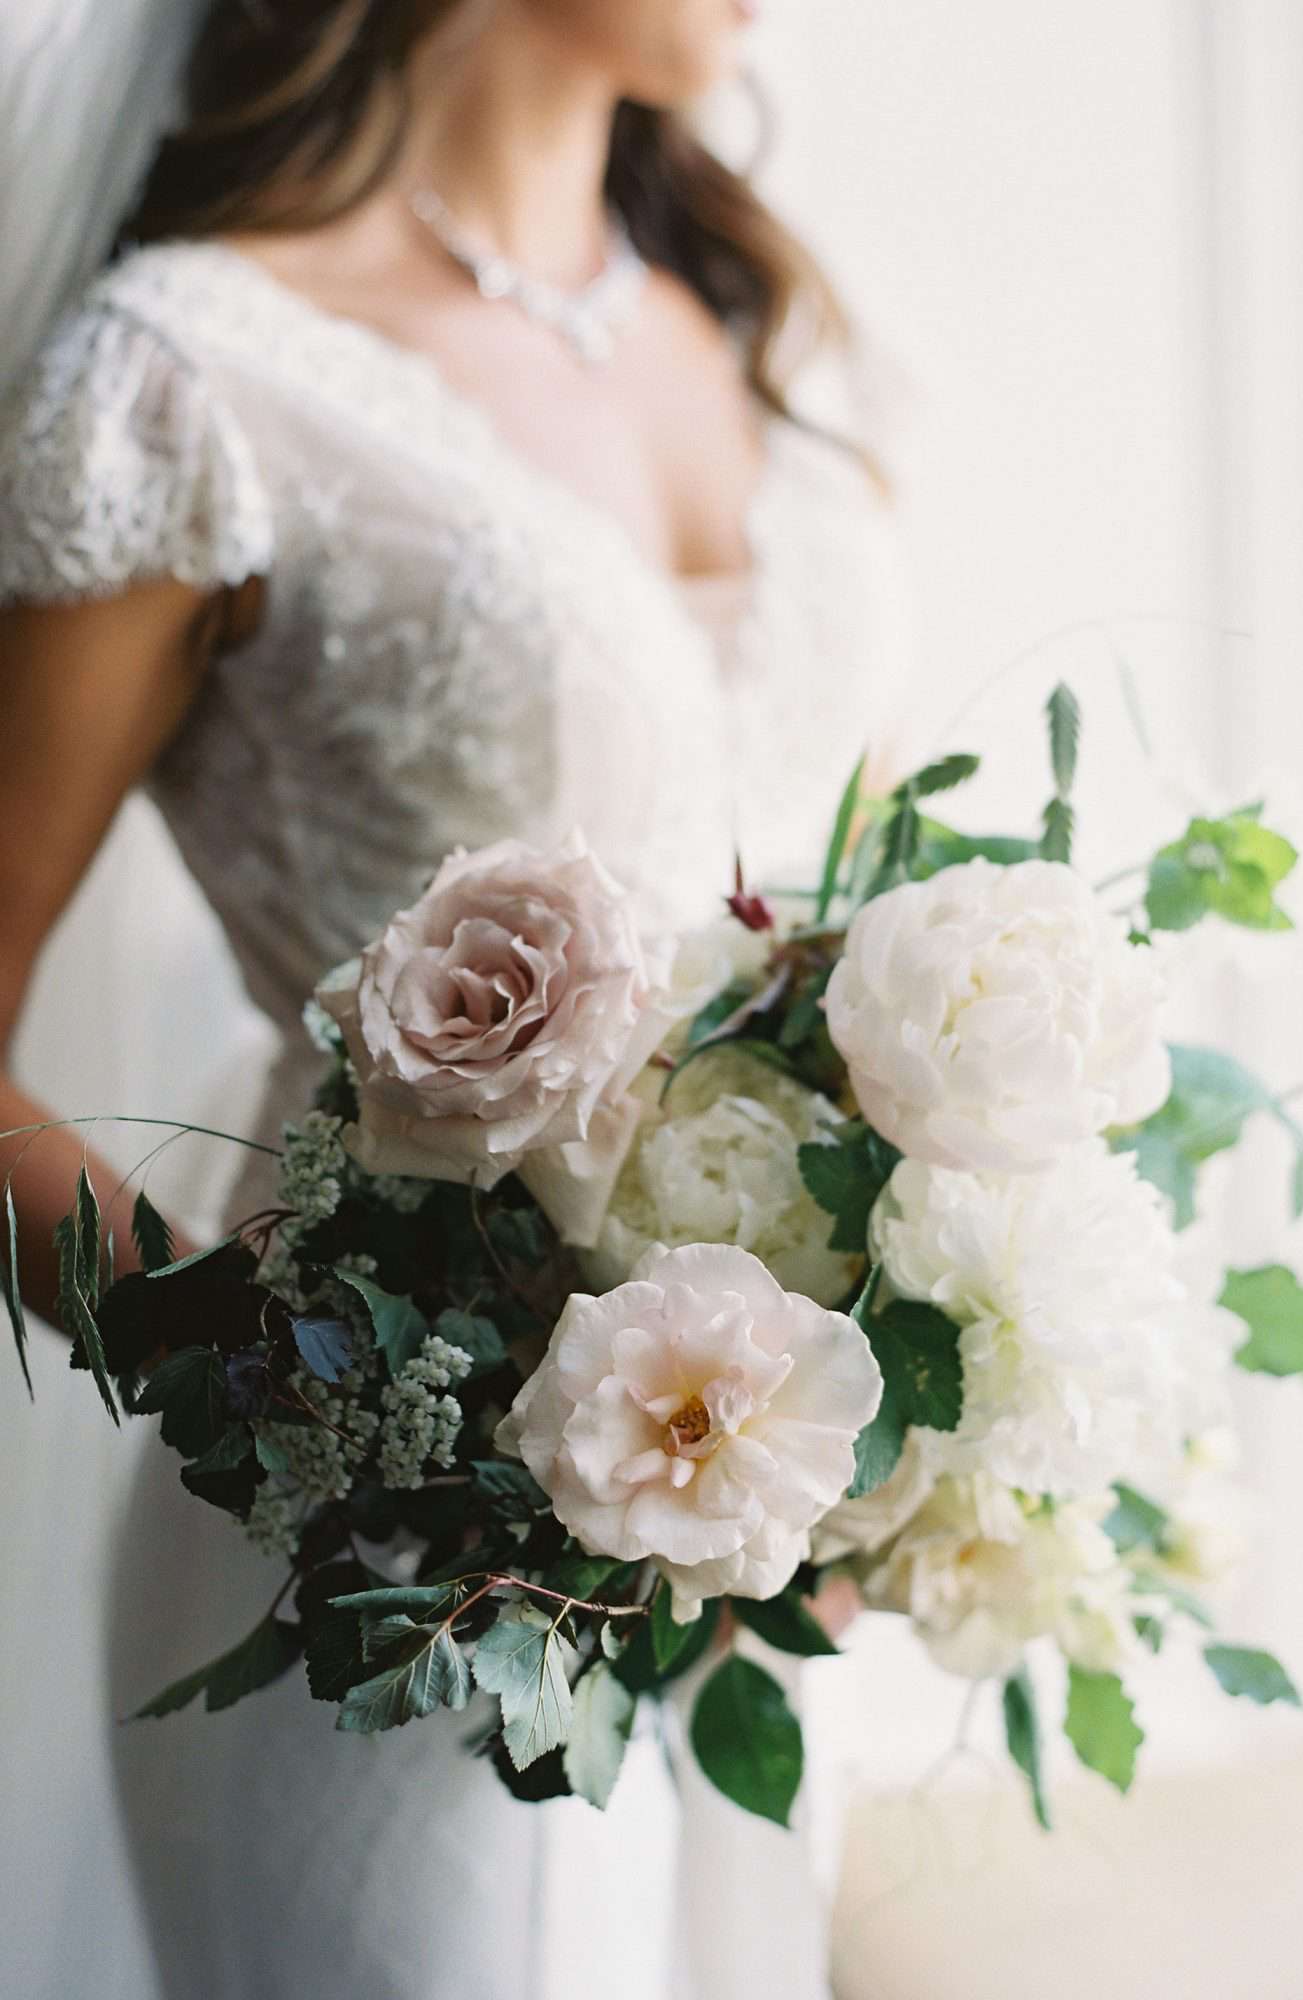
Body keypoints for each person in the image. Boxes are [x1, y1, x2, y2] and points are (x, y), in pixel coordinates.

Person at [0, 3, 912, 1994]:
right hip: (382, 1584)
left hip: (747, 1552)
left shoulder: (755, 325)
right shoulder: (189, 376)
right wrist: (274, 1403)